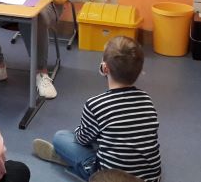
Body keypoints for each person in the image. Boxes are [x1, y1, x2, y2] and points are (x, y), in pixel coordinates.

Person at [32, 36, 161, 182]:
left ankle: (79, 165)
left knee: (61, 137)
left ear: (104, 68)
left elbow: (81, 139)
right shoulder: (147, 99)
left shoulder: (95, 104)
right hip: (151, 179)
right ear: (139, 70)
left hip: (109, 178)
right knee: (108, 136)